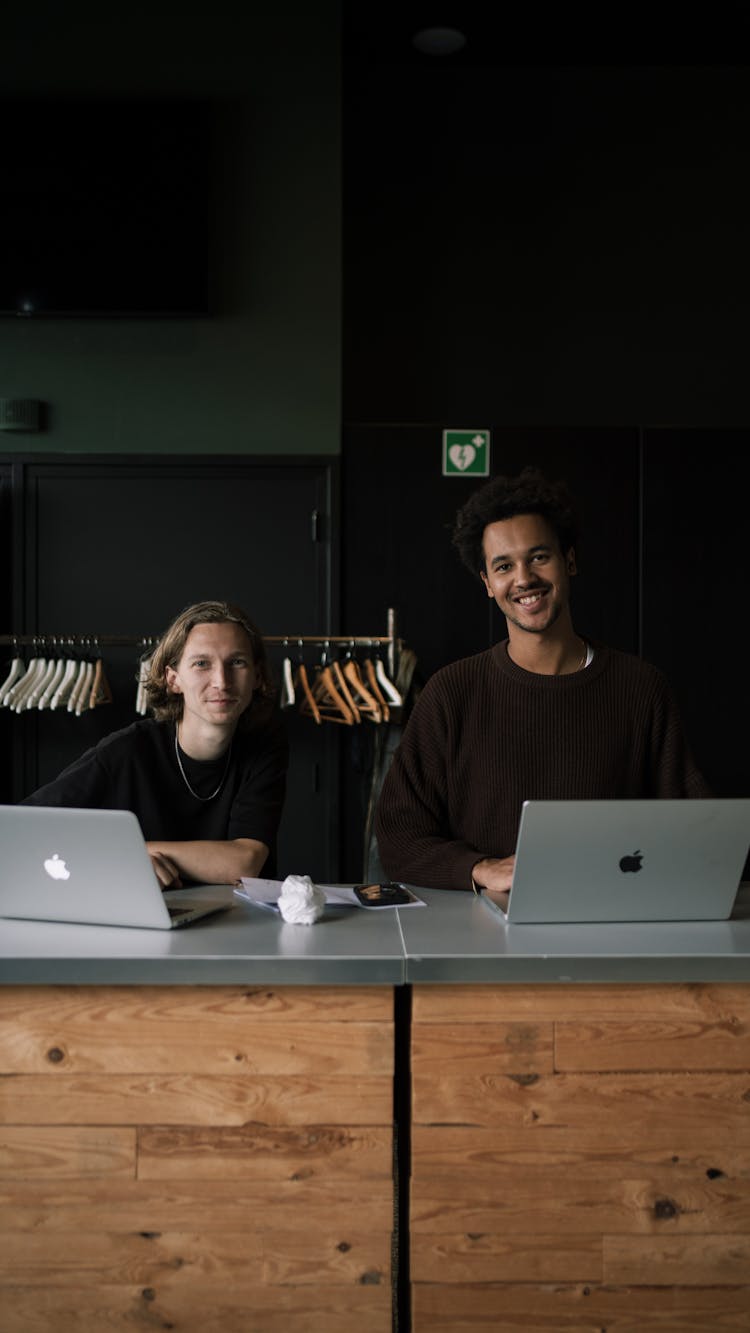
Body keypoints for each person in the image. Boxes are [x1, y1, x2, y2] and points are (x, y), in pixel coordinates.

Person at [375, 467, 710, 893]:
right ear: (487, 584)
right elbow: (398, 838)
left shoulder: (641, 688)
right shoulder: (450, 694)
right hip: (481, 934)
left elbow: (694, 826)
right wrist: (481, 868)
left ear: (568, 560)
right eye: (503, 566)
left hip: (613, 923)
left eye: (538, 556)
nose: (524, 579)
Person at [22, 601, 288, 888]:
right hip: (138, 918)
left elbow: (244, 863)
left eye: (236, 662)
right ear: (173, 680)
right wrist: (117, 859)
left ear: (257, 677)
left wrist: (133, 851)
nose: (221, 681)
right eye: (202, 664)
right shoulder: (126, 750)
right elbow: (24, 827)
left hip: (234, 922)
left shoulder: (265, 746)